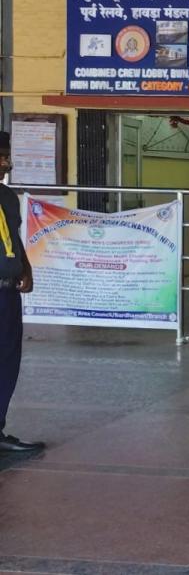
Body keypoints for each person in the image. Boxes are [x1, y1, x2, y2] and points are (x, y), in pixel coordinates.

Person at [0, 131, 44, 453]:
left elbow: (13, 238)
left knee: (7, 360)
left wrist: (25, 268)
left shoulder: (7, 197)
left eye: (7, 156)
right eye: (1, 157)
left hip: (6, 293)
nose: (7, 163)